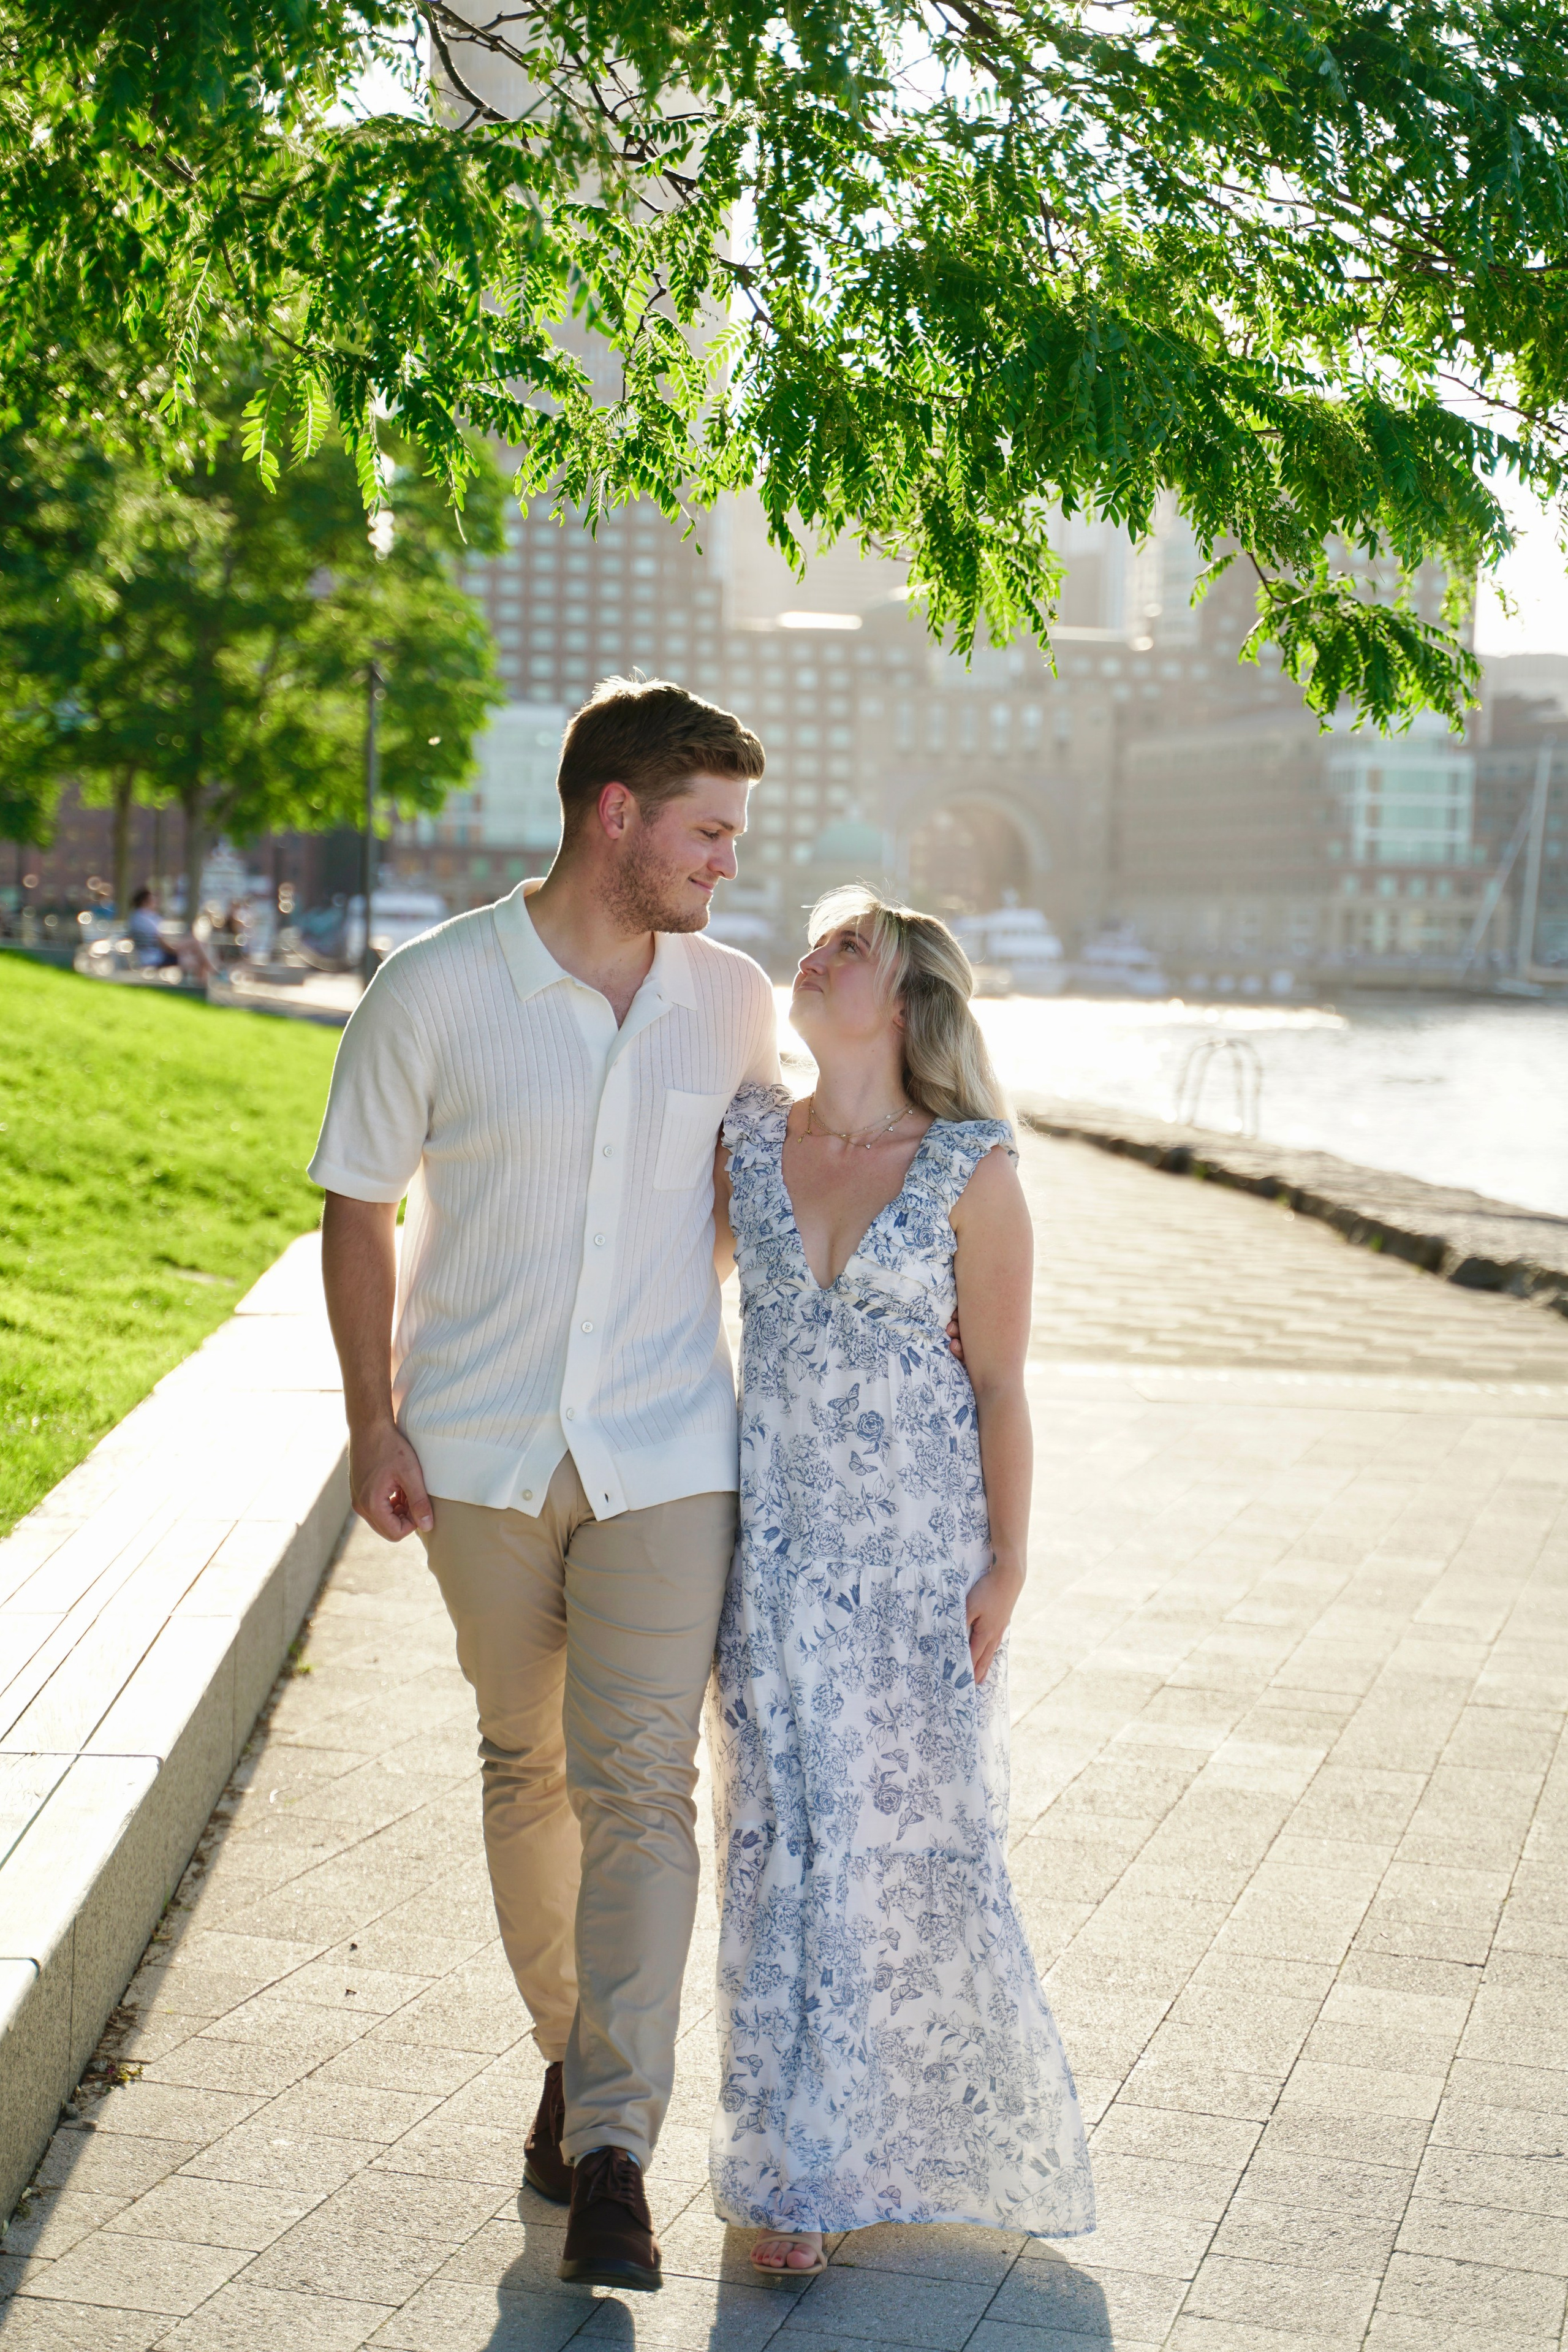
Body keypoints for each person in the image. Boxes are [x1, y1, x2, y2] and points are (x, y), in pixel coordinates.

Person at [308, 677, 778, 2294]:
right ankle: (576, 2062)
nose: (726, 863)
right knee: (529, 1763)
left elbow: (755, 1198)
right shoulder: (436, 986)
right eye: (707, 831)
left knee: (644, 1779)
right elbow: (359, 1209)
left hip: (667, 1453)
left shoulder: (731, 997)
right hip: (484, 1449)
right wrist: (375, 1422)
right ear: (617, 813)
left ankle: (619, 2148)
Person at [708, 886, 1096, 2275]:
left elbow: (998, 1384)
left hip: (916, 1575)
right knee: (778, 1855)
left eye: (848, 946)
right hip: (773, 1568)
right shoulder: (749, 1138)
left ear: (910, 1000)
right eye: (814, 940)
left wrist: (1009, 1561)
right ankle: (792, 2166)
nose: (813, 956)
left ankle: (877, 2150)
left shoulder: (969, 1169)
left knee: (903, 1863)